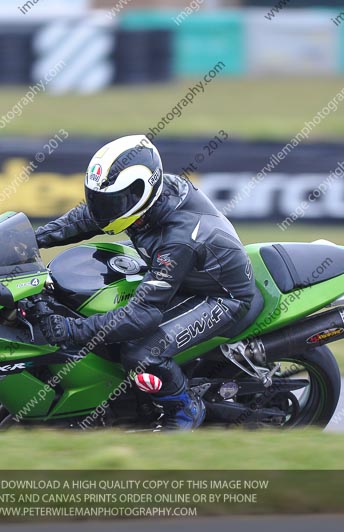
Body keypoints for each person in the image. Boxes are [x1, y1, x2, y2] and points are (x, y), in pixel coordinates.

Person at [35, 135, 258, 430]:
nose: (103, 208)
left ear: (141, 192)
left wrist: (71, 330)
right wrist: (31, 240)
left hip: (220, 296)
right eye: (99, 199)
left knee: (140, 352)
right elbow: (88, 218)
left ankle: (184, 409)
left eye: (111, 201)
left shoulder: (177, 238)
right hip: (186, 276)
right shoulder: (142, 202)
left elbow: (143, 315)